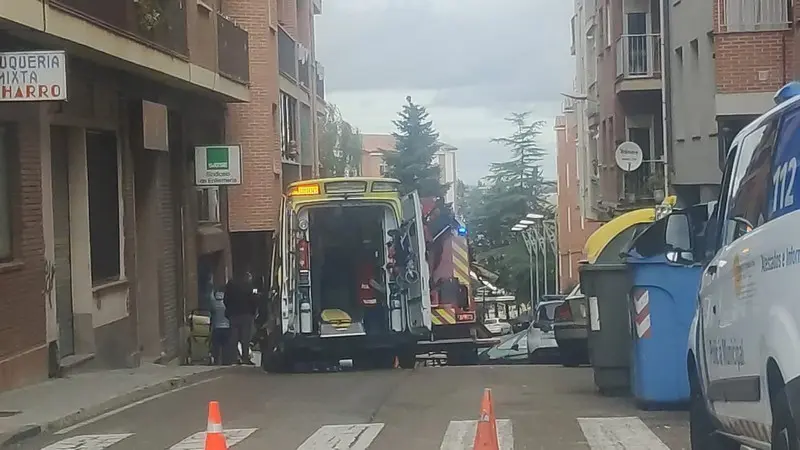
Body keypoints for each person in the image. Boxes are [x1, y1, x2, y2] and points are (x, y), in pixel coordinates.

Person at [224, 271, 257, 365]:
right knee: (245, 338)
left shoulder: (230, 285)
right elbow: (253, 300)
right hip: (246, 314)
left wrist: (229, 310)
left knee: (233, 338)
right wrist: (253, 312)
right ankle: (245, 358)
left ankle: (234, 358)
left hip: (233, 315)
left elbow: (226, 300)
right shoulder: (248, 286)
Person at [209, 284, 232, 365]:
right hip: (227, 327)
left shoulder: (214, 303)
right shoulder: (228, 302)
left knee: (216, 347)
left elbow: (210, 298)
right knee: (226, 347)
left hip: (216, 328)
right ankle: (226, 363)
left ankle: (216, 362)